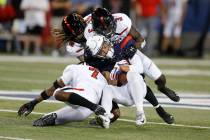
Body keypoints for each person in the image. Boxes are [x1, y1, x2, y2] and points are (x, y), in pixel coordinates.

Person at [84, 7, 180, 102]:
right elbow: (93, 55)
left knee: (160, 78)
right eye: (103, 29)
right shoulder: (89, 34)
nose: (107, 30)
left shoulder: (122, 22)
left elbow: (141, 40)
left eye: (108, 26)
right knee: (118, 83)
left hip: (129, 53)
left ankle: (162, 88)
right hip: (110, 60)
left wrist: (129, 48)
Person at [86, 35, 174, 127]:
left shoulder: (121, 48)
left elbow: (140, 68)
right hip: (123, 94)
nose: (105, 51)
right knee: (107, 88)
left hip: (138, 87)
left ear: (106, 42)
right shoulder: (100, 63)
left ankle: (140, 113)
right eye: (101, 51)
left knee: (132, 74)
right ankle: (106, 117)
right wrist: (109, 80)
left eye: (104, 46)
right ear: (97, 55)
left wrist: (127, 68)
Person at [18, 64, 107, 126]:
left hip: (89, 103)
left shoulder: (74, 68)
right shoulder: (101, 77)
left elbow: (51, 90)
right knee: (81, 114)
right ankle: (52, 117)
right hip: (91, 104)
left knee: (58, 93)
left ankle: (93, 107)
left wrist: (33, 103)